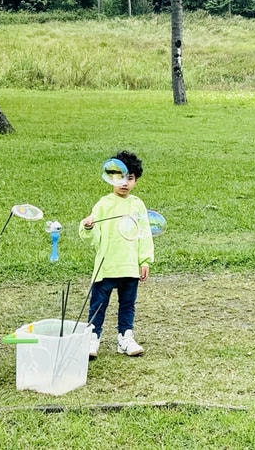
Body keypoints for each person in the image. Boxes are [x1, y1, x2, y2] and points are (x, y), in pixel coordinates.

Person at [81, 150, 153, 359]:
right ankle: (92, 338)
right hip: (107, 266)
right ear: (111, 177)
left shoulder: (137, 204)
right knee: (98, 305)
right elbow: (92, 236)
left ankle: (125, 337)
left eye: (129, 178)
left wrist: (145, 260)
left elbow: (145, 233)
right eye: (120, 177)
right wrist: (87, 227)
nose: (124, 183)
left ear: (136, 180)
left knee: (128, 305)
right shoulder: (104, 204)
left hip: (129, 266)